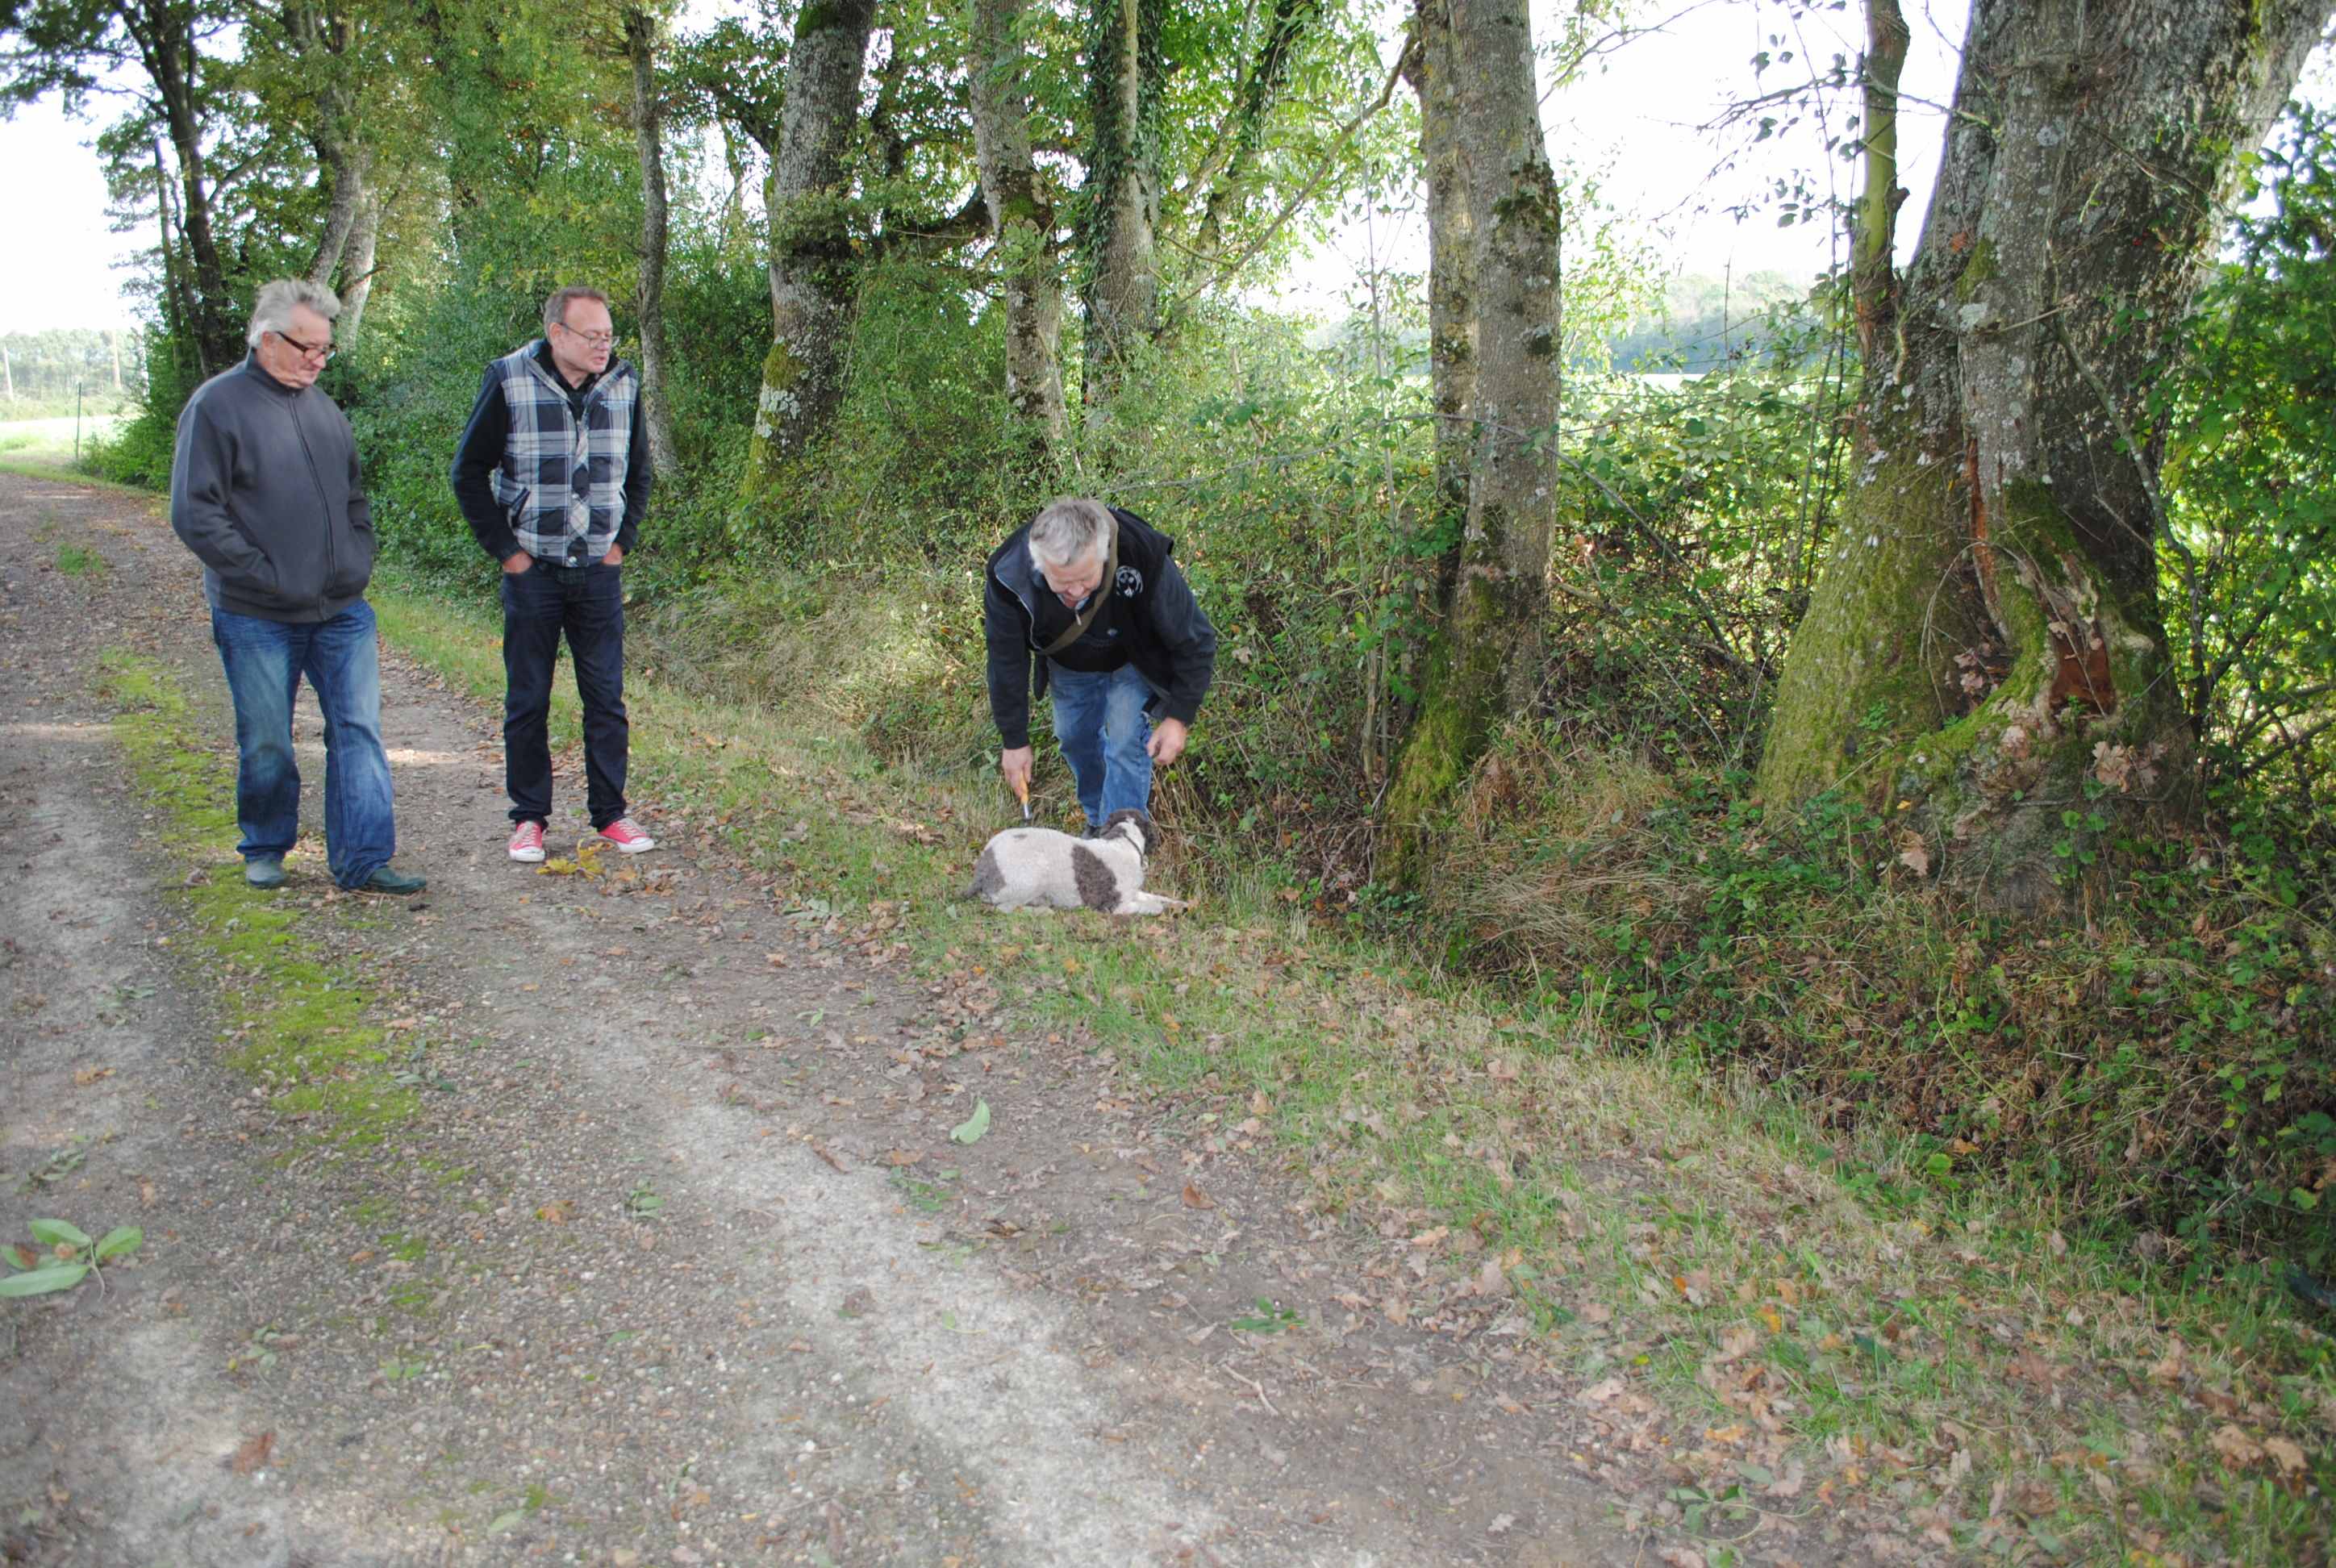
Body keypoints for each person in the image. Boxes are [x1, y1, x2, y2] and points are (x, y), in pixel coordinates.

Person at [169, 279, 424, 895]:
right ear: (265, 337)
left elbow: (355, 497)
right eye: (306, 347)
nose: (317, 360)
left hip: (342, 610)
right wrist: (265, 574)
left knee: (358, 731)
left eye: (325, 350)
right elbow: (193, 512)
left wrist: (357, 558)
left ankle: (363, 859)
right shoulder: (217, 406)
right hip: (256, 613)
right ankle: (264, 846)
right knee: (266, 739)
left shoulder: (324, 410)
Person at [450, 285, 657, 864]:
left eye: (609, 335)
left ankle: (610, 815)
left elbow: (639, 472)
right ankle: (529, 820)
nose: (603, 345)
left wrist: (621, 545)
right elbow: (467, 473)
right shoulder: (509, 379)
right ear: (557, 335)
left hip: (597, 573)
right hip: (532, 571)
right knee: (528, 699)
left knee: (606, 700)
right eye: (591, 335)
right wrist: (508, 554)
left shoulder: (624, 383)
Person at [983, 497, 1216, 831]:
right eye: (1063, 584)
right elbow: (1006, 662)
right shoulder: (1009, 576)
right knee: (1074, 738)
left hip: (1134, 655)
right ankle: (1097, 819)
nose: (1077, 591)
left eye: (1087, 579)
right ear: (1040, 566)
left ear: (1104, 554)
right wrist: (1014, 741)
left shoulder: (1140, 551)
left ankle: (1119, 840)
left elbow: (1196, 638)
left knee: (1124, 739)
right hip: (1069, 663)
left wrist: (1179, 717)